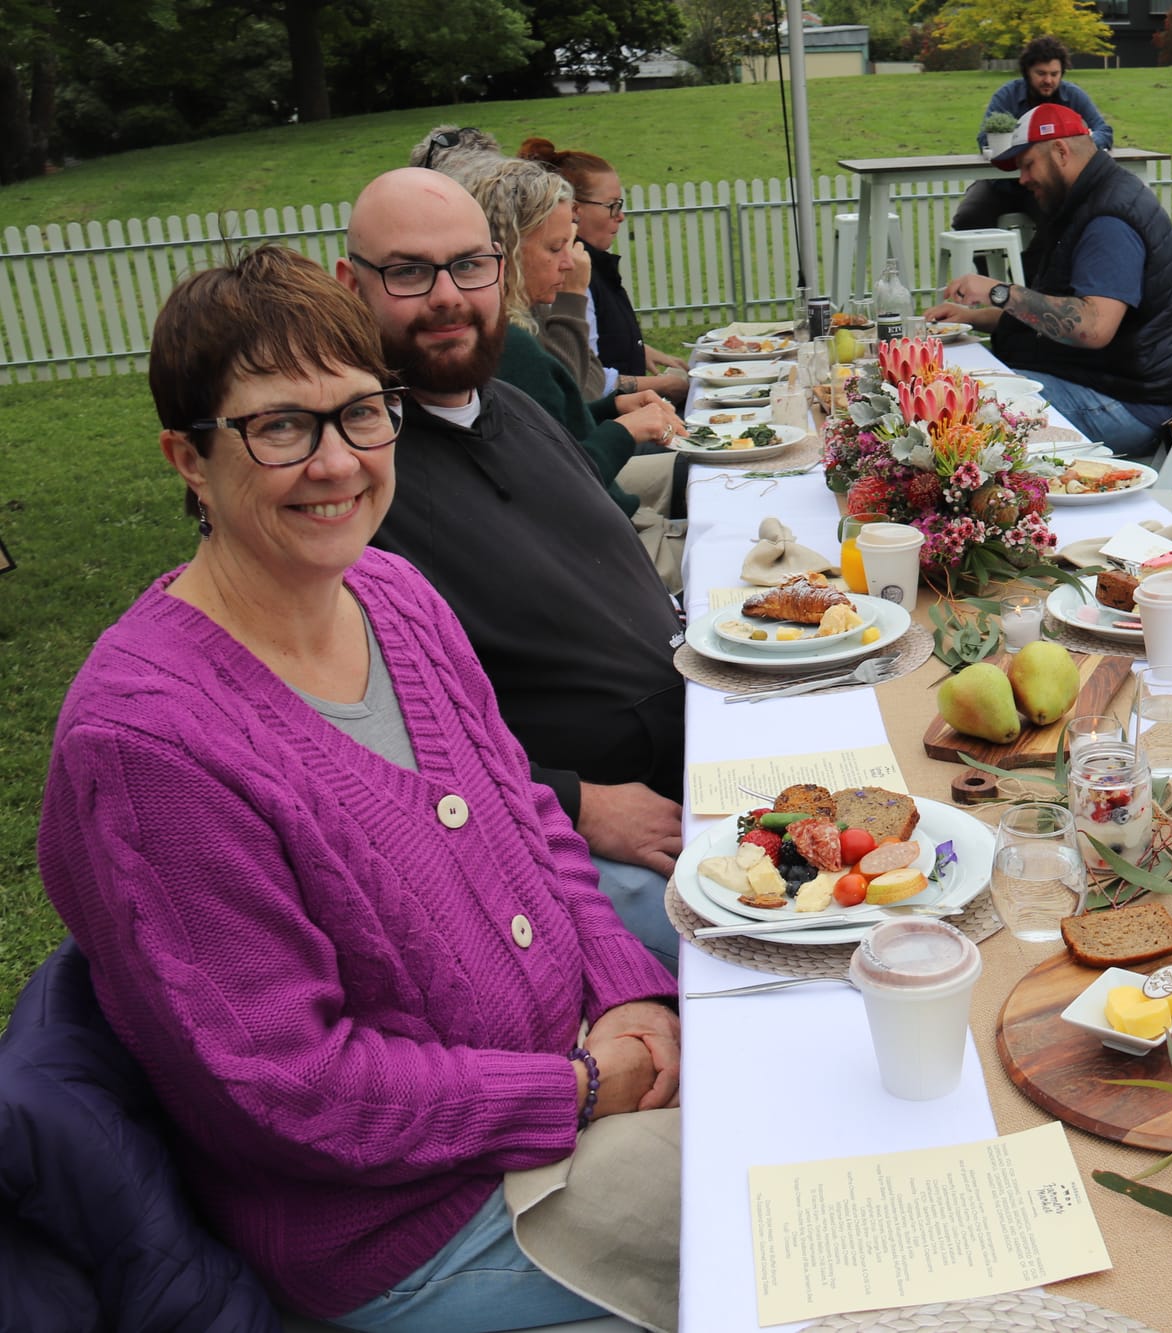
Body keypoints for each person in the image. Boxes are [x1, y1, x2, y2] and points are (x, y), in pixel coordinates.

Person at [36, 245, 681, 1330]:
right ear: (187, 458)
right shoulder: (145, 747)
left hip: (569, 1080)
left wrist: (626, 987)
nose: (337, 462)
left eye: (361, 413)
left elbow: (528, 818)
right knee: (791, 1239)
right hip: (414, 1222)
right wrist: (570, 1089)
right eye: (279, 426)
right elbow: (290, 1086)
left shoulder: (392, 593)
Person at [339, 167, 689, 966]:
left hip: (690, 740)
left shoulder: (513, 405)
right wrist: (576, 801)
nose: (446, 296)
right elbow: (380, 740)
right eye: (406, 272)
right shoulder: (356, 477)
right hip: (581, 834)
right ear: (348, 284)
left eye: (469, 265)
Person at [924, 104, 1172, 457]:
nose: (1022, 179)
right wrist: (971, 318)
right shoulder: (1080, 205)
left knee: (962, 412)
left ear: (1061, 151)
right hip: (1094, 382)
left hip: (1126, 406)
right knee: (955, 391)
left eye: (1027, 164)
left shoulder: (1109, 220)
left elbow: (1092, 326)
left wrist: (998, 292)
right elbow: (1048, 312)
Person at [450, 154, 682, 519]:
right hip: (598, 531)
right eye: (555, 248)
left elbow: (550, 425)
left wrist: (614, 406)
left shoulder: (509, 325)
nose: (570, 262)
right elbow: (561, 484)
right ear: (506, 249)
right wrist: (622, 431)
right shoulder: (509, 342)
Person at [518, 137, 689, 406]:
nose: (620, 215)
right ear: (573, 208)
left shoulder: (591, 264)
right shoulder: (567, 274)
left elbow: (597, 341)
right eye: (612, 205)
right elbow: (583, 381)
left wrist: (640, 350)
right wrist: (665, 385)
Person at [952, 35, 1113, 234]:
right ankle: (993, 267)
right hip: (1002, 183)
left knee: (1057, 224)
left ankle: (1031, 266)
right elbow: (986, 138)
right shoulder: (1007, 95)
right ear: (1027, 72)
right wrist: (1028, 150)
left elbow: (1104, 131)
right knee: (967, 220)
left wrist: (1079, 144)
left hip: (1047, 185)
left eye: (1055, 74)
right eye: (1041, 73)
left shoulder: (1072, 96)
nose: (1049, 80)